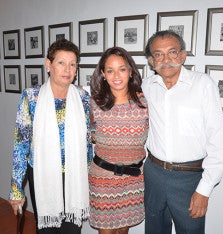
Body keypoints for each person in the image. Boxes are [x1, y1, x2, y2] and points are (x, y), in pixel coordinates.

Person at [142, 30, 223, 234]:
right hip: (153, 173)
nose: (166, 60)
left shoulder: (203, 85)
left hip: (189, 179)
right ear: (152, 60)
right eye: (158, 54)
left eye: (172, 52)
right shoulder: (146, 86)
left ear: (182, 55)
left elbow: (217, 140)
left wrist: (204, 190)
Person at [8, 39, 92, 234]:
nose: (67, 69)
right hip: (41, 173)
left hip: (75, 173)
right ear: (48, 65)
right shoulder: (31, 97)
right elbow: (20, 145)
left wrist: (89, 175)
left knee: (72, 228)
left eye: (73, 64)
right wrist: (16, 189)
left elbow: (87, 142)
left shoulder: (82, 97)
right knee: (47, 228)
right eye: (61, 63)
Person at [89, 47, 149, 234]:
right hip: (103, 178)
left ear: (130, 72)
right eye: (110, 70)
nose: (116, 75)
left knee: (123, 230)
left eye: (122, 69)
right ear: (103, 74)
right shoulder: (94, 103)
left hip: (133, 178)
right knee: (106, 231)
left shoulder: (145, 101)